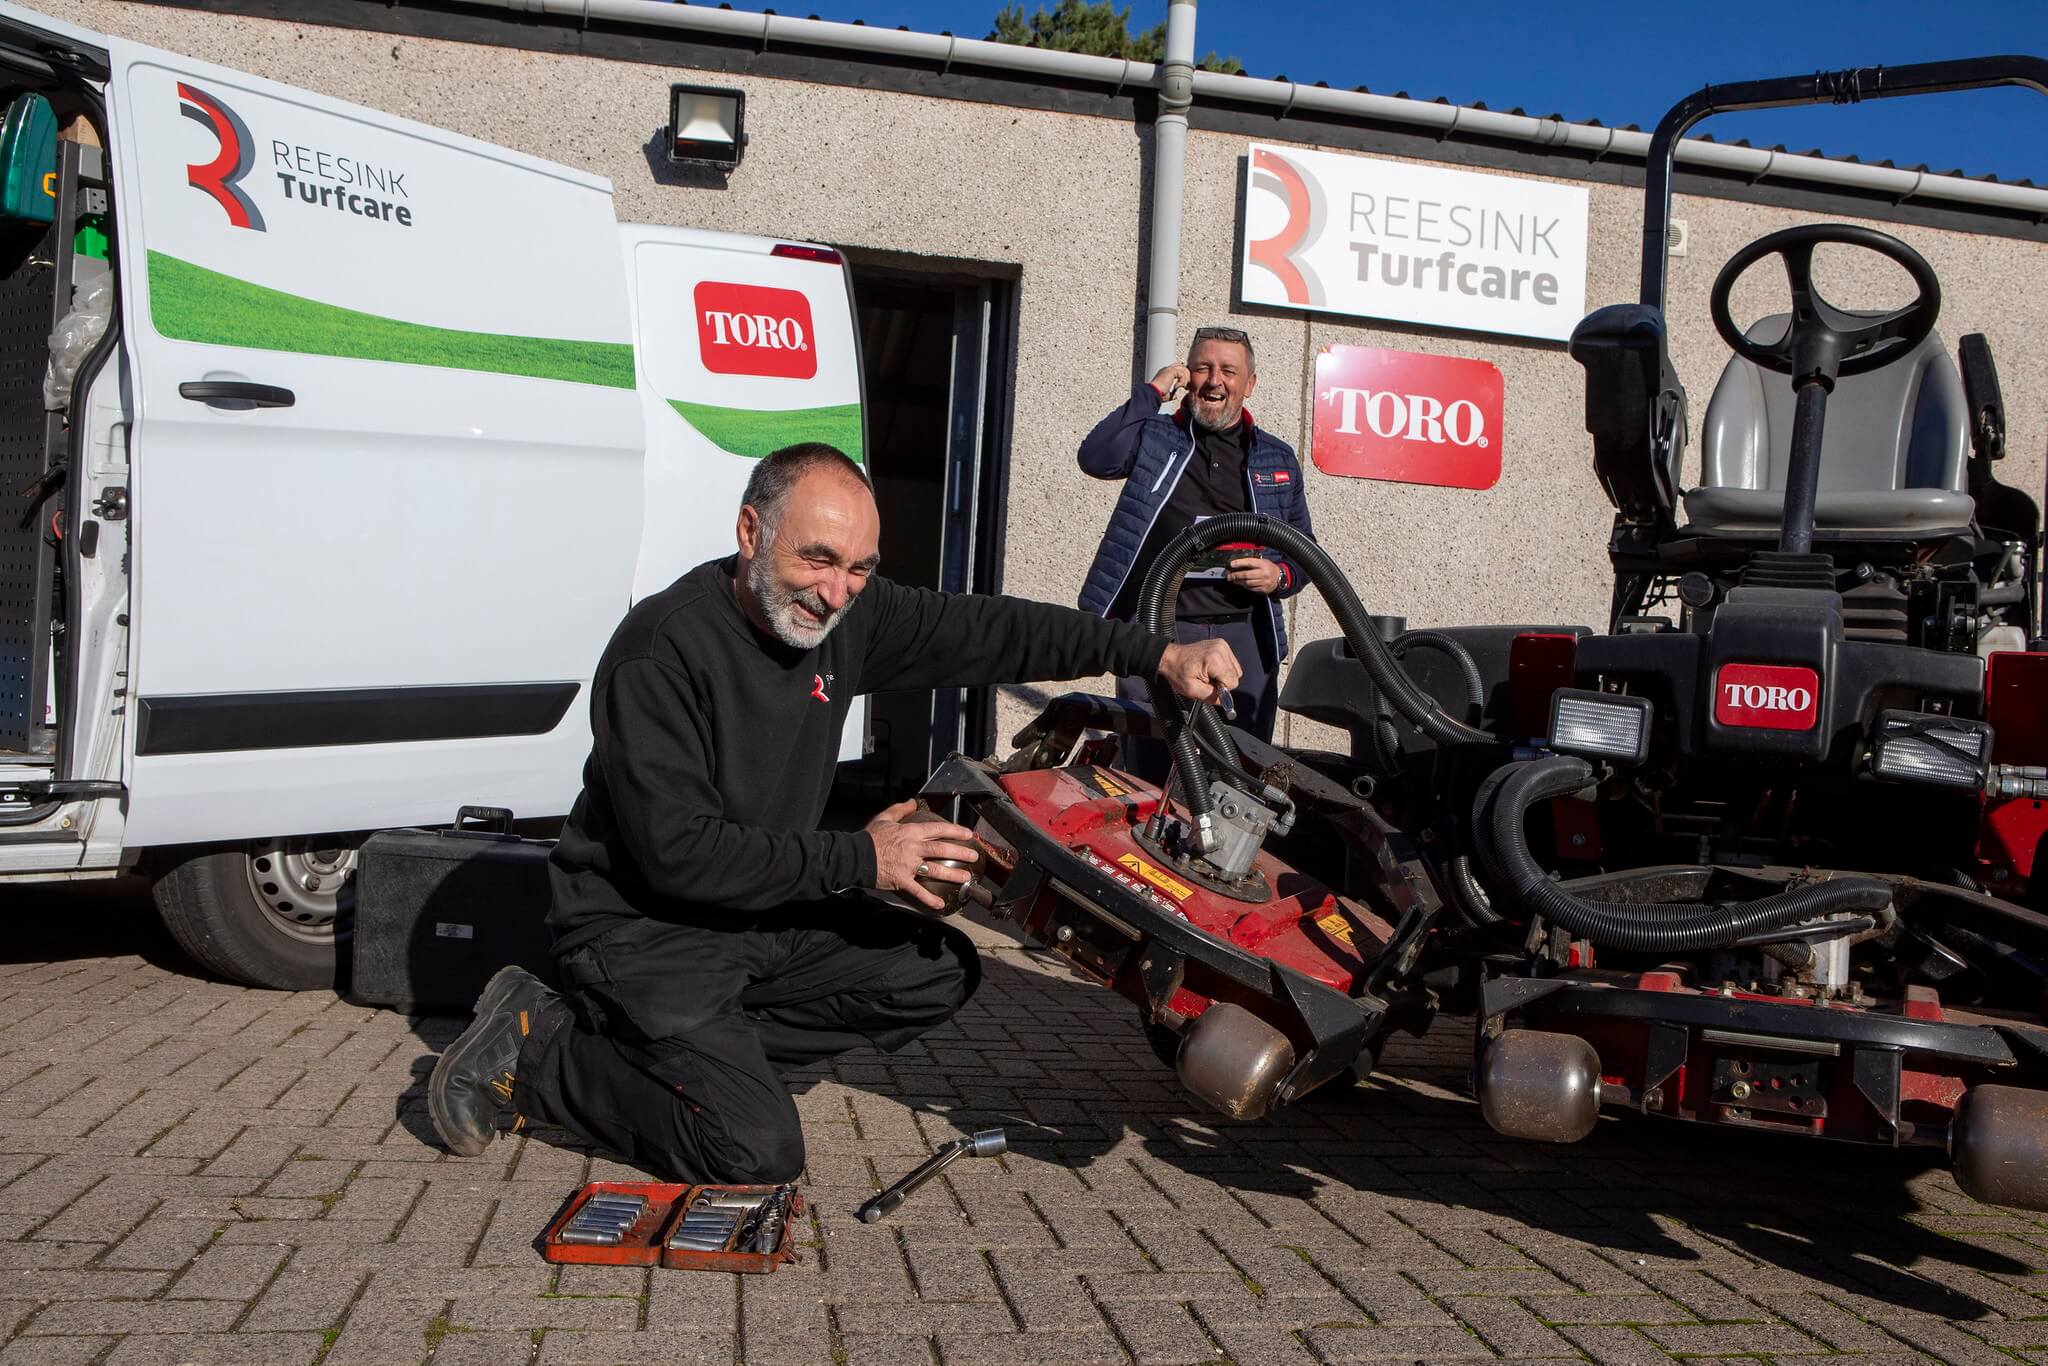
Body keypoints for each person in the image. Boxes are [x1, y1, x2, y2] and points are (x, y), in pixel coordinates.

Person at [425, 442, 1241, 1183]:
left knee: (935, 970)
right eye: (817, 559)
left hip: (758, 914)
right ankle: (539, 1053)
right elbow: (680, 856)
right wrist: (867, 858)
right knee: (751, 1150)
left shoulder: (849, 618)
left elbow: (993, 630)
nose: (836, 591)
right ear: (751, 531)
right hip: (644, 931)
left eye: (858, 567)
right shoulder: (662, 652)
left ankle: (695, 1062)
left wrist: (1155, 655)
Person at [1076, 325, 1315, 767]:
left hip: (1243, 634)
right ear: (1188, 376)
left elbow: (1304, 552)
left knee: (1241, 772)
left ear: (1250, 384)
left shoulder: (1276, 457)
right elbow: (1097, 457)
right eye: (1203, 368)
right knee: (1148, 767)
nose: (1214, 380)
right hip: (1155, 629)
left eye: (1228, 370)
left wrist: (1278, 576)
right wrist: (1153, 391)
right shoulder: (1157, 436)